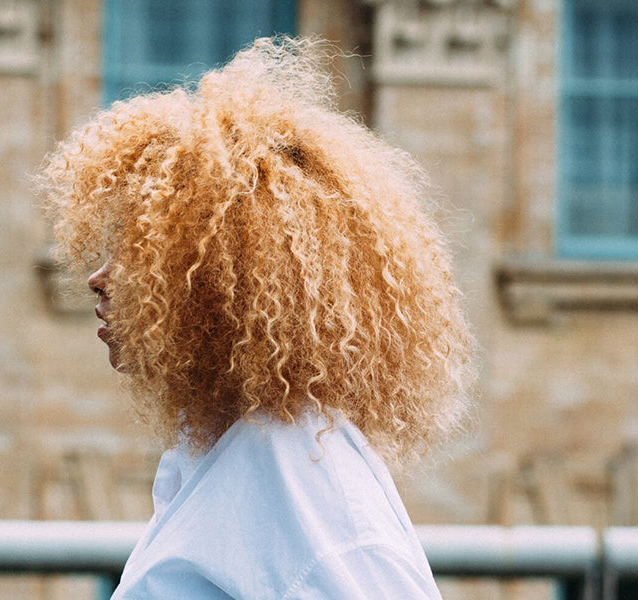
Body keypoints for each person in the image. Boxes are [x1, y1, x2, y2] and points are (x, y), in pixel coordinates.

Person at [41, 37, 473, 600]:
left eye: (135, 250)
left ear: (217, 279)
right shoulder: (237, 456)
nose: (98, 278)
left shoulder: (294, 482)